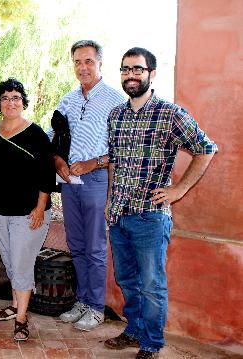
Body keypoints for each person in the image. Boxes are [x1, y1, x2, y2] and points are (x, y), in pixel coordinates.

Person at [104, 47, 217, 359]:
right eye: (126, 69)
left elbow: (206, 148)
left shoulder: (170, 114)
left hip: (150, 217)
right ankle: (134, 330)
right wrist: (110, 199)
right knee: (126, 278)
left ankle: (151, 343)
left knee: (152, 284)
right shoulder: (116, 115)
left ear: (151, 74)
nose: (131, 74)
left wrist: (178, 190)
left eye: (138, 69)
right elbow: (114, 161)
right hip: (118, 214)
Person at [55, 40, 125, 331]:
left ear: (100, 64)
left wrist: (93, 163)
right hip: (69, 182)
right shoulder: (67, 100)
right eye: (77, 62)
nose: (82, 67)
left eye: (88, 61)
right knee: (77, 245)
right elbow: (54, 137)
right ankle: (82, 301)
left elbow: (122, 147)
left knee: (95, 247)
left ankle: (96, 307)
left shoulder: (115, 100)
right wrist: (58, 161)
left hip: (97, 180)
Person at [0, 78, 54, 341]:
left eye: (16, 98)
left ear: (23, 102)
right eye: (5, 98)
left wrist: (40, 207)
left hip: (28, 212)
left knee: (22, 264)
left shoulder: (36, 135)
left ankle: (22, 318)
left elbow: (47, 175)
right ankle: (15, 305)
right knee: (10, 261)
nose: (11, 103)